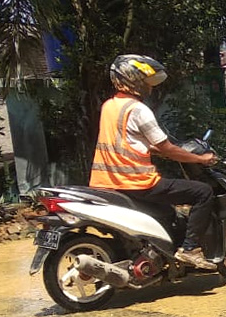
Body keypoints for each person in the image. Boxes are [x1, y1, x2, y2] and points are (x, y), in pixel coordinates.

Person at [89, 54, 218, 270]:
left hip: (105, 183)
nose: (150, 87)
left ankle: (157, 251)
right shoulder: (138, 110)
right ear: (134, 80)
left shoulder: (109, 106)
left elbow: (124, 142)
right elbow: (167, 147)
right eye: (147, 82)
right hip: (136, 182)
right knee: (203, 192)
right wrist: (200, 159)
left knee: (167, 211)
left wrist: (153, 150)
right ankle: (189, 249)